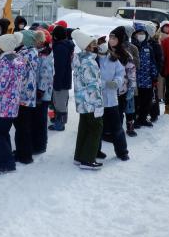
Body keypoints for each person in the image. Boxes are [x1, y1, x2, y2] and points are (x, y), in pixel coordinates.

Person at [0, 33, 26, 174]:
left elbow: (0, 85)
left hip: (2, 105)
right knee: (3, 133)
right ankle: (4, 161)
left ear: (2, 47)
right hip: (12, 104)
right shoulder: (17, 59)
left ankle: (7, 163)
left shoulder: (4, 63)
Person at [71, 29, 105, 170]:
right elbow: (93, 86)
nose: (96, 46)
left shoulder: (79, 59)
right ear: (87, 46)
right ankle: (88, 159)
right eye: (93, 44)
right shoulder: (90, 63)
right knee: (96, 127)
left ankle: (79, 156)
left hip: (82, 101)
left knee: (84, 127)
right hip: (91, 102)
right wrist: (98, 104)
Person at [96, 34, 129, 161]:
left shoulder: (113, 58)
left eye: (104, 42)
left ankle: (122, 152)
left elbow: (121, 72)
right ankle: (96, 150)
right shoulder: (93, 59)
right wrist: (104, 84)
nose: (103, 44)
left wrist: (117, 81)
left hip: (112, 100)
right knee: (98, 128)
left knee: (117, 127)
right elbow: (91, 78)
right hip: (98, 100)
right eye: (100, 43)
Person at [14, 30, 42, 164]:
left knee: (22, 126)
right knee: (23, 126)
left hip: (23, 96)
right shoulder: (31, 52)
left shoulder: (25, 54)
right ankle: (23, 151)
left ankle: (25, 155)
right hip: (27, 95)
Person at [132, 23, 161, 127]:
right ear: (134, 34)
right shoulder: (132, 47)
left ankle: (143, 118)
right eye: (139, 33)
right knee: (135, 102)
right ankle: (134, 120)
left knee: (147, 101)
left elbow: (153, 63)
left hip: (147, 81)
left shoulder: (148, 48)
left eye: (143, 33)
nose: (141, 35)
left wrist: (154, 76)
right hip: (135, 82)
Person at [112, 26, 138, 137]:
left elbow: (133, 68)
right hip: (112, 87)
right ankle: (115, 128)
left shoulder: (129, 51)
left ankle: (129, 126)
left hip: (125, 86)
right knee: (116, 110)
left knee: (129, 107)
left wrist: (132, 87)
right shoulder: (110, 50)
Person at [32, 28, 54, 154]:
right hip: (40, 92)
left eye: (35, 40)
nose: (34, 42)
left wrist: (40, 90)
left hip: (43, 93)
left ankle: (40, 146)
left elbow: (46, 74)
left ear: (41, 41)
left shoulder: (45, 55)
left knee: (40, 121)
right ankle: (36, 143)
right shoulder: (40, 52)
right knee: (37, 120)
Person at [49, 24, 74, 131]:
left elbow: (60, 67)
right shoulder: (66, 45)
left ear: (56, 36)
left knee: (60, 104)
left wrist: (57, 83)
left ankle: (59, 125)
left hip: (61, 80)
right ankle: (59, 121)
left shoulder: (60, 48)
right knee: (62, 102)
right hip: (65, 79)